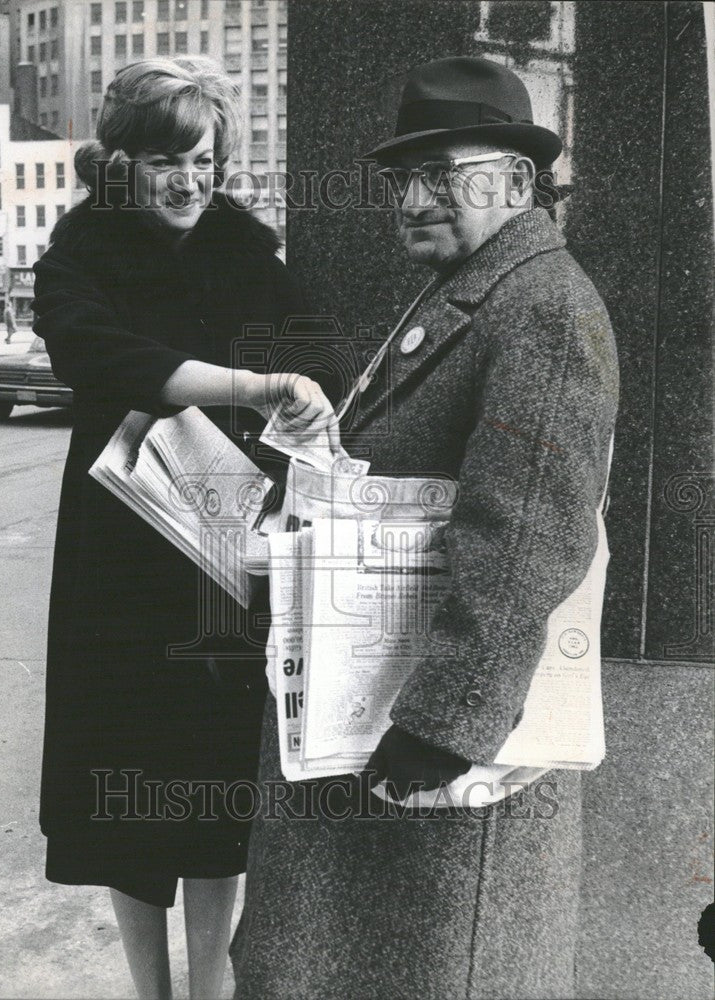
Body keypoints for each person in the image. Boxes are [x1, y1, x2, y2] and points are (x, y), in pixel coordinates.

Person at [231, 57, 619, 999]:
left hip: (436, 761)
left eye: (444, 174)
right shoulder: (480, 283)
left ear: (518, 181)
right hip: (381, 732)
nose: (412, 199)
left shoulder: (543, 309)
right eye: (401, 178)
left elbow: (524, 539)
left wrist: (443, 728)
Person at [32, 56, 338, 1000]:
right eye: (168, 158)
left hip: (221, 552)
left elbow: (317, 345)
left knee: (211, 790)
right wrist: (254, 385)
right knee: (123, 789)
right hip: (119, 560)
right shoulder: (79, 254)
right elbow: (111, 359)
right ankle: (148, 991)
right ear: (119, 163)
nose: (190, 180)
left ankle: (207, 990)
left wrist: (310, 397)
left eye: (205, 159)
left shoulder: (240, 246)